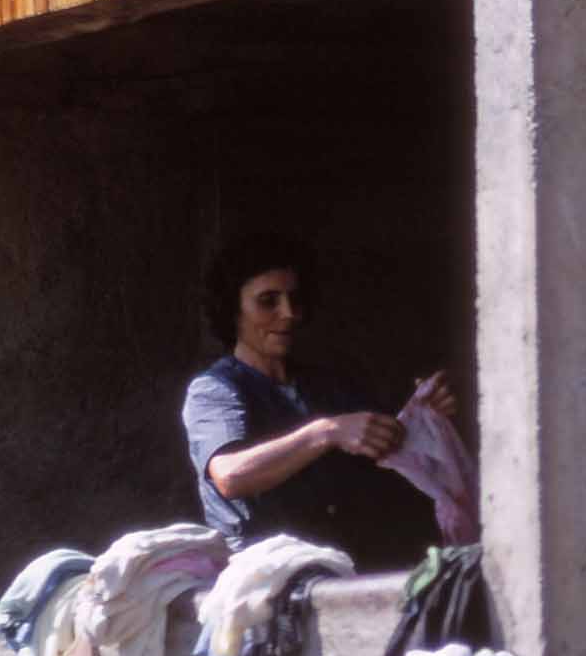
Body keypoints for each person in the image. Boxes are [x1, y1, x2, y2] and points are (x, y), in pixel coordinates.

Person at [182, 232, 456, 573]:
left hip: (342, 569)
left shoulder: (328, 384)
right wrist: (325, 433)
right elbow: (230, 475)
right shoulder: (216, 389)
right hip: (263, 583)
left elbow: (384, 451)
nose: (288, 313)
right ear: (232, 310)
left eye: (294, 299)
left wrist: (422, 419)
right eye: (268, 301)